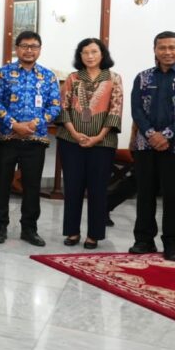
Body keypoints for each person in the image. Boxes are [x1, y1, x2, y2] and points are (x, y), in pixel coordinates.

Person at [0, 31, 61, 246]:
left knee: (32, 186)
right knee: (2, 184)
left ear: (40, 49)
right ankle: (0, 227)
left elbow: (55, 105)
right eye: (25, 46)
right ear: (17, 48)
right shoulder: (2, 74)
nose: (29, 50)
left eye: (34, 46)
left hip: (35, 139)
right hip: (7, 137)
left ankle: (29, 229)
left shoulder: (48, 76)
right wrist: (14, 124)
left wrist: (34, 124)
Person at [129, 31, 175, 261]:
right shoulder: (143, 77)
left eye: (172, 47)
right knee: (144, 194)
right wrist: (150, 134)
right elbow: (136, 109)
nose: (167, 52)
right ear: (154, 50)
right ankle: (144, 240)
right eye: (162, 47)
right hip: (146, 145)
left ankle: (172, 243)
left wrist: (166, 135)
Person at [57, 38, 123, 250]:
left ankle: (94, 234)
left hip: (103, 143)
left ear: (102, 54)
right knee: (73, 187)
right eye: (85, 52)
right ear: (80, 55)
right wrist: (75, 134)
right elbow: (63, 108)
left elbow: (115, 111)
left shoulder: (114, 78)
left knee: (98, 189)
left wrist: (98, 137)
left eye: (94, 51)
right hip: (71, 141)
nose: (90, 56)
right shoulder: (73, 78)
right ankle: (73, 232)